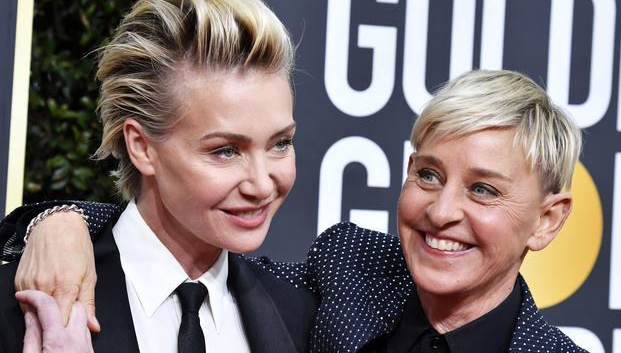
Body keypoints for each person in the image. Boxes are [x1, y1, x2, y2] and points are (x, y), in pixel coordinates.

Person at [2, 71, 587, 352]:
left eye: (483, 190)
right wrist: (63, 222)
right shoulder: (348, 273)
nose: (441, 211)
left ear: (548, 219)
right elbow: (183, 248)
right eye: (427, 175)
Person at [0, 0, 318, 352]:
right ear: (141, 146)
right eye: (225, 151)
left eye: (280, 144)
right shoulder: (19, 309)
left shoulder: (302, 320)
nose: (261, 185)